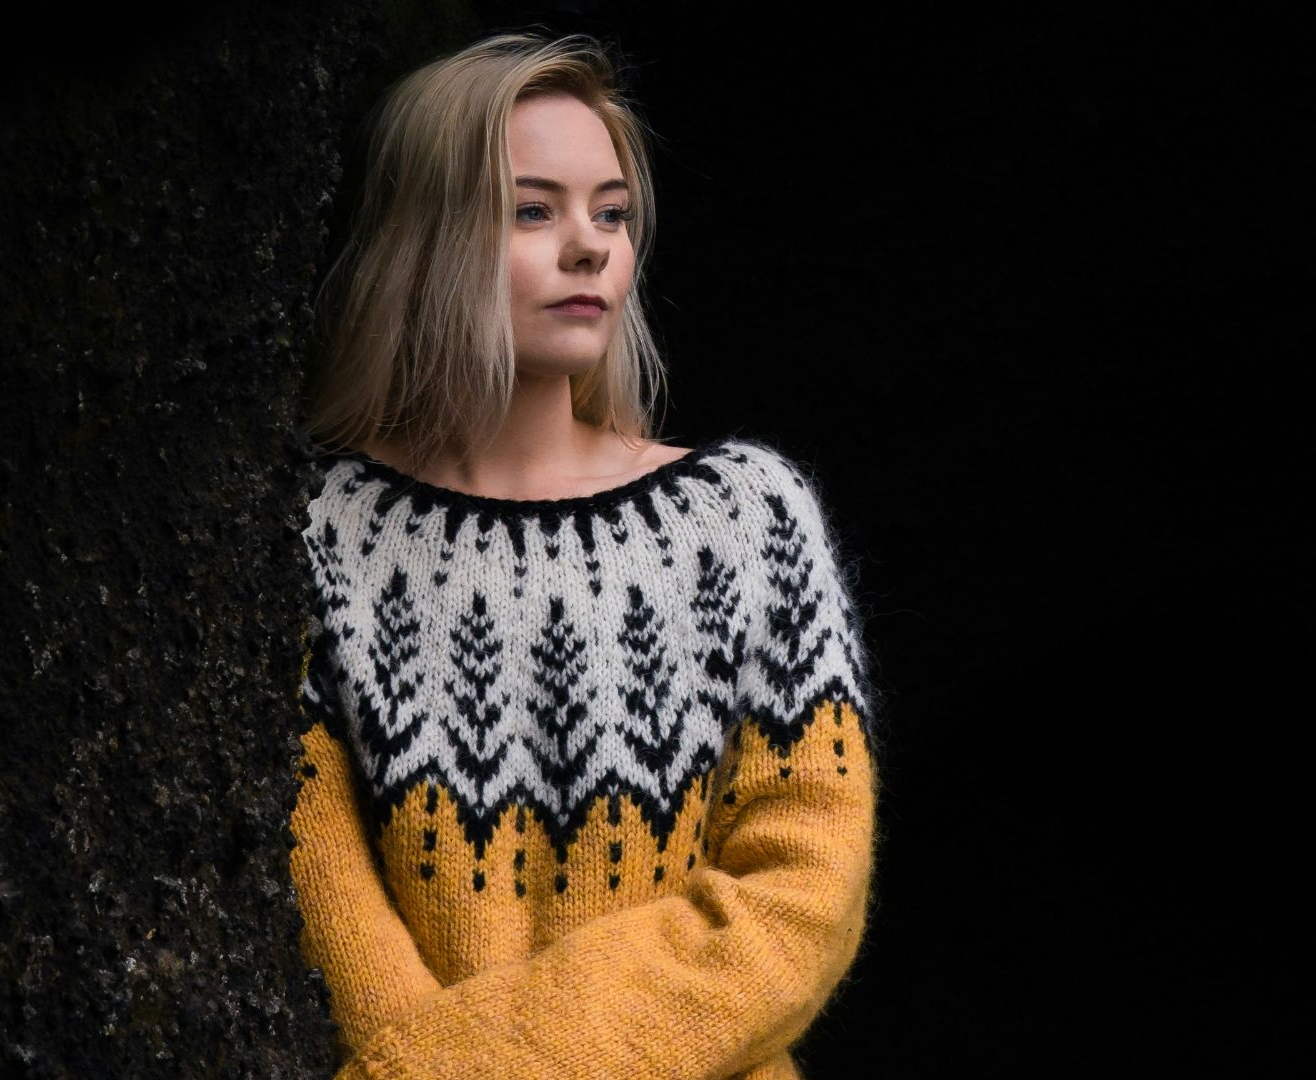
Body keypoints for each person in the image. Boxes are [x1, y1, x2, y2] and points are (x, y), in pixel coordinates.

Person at [288, 30, 884, 1080]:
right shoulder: (317, 540)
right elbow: (323, 888)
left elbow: (801, 893)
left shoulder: (746, 520)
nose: (589, 246)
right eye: (533, 210)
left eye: (611, 212)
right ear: (425, 239)